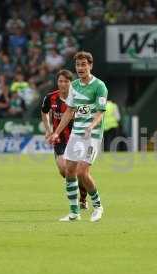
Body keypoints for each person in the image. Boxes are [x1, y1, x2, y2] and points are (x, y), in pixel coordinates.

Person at [48, 51, 108, 222]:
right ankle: (74, 212)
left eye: (84, 64)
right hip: (76, 134)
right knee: (69, 171)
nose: (80, 68)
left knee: (82, 171)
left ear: (90, 65)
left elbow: (100, 112)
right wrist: (56, 132)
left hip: (93, 135)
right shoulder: (74, 85)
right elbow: (70, 111)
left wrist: (91, 126)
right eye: (78, 65)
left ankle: (98, 206)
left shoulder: (100, 86)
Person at [41, 69, 88, 210]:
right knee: (63, 170)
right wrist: (49, 130)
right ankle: (76, 193)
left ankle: (83, 198)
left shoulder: (78, 98)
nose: (63, 84)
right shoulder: (50, 97)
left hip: (77, 138)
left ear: (71, 83)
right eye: (60, 81)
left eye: (66, 81)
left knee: (78, 172)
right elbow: (44, 112)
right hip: (59, 139)